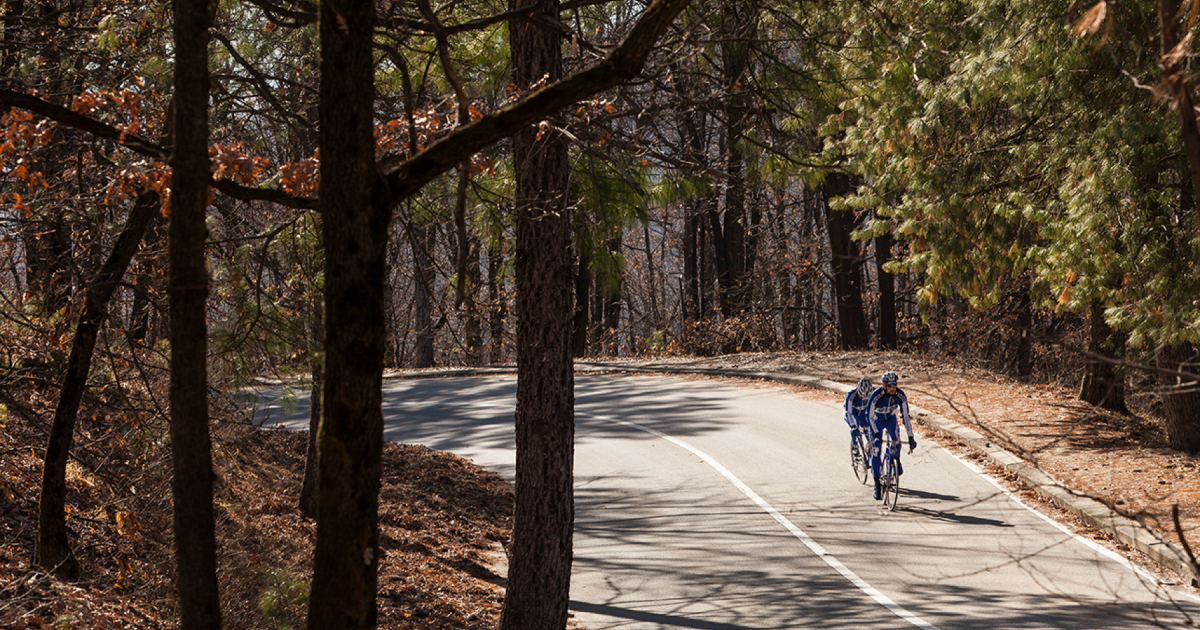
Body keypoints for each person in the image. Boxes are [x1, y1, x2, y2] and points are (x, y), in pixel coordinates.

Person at [867, 371, 916, 500]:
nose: (893, 389)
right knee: (876, 451)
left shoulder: (900, 395)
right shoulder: (876, 395)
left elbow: (905, 416)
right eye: (890, 386)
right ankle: (877, 483)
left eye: (894, 385)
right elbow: (869, 416)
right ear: (884, 386)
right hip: (876, 421)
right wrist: (877, 435)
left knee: (896, 440)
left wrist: (911, 437)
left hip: (890, 419)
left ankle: (897, 460)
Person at [843, 377, 873, 455]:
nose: (864, 400)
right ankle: (854, 444)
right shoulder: (851, 395)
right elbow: (848, 412)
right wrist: (853, 426)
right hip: (852, 413)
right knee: (855, 427)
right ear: (858, 391)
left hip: (864, 414)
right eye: (862, 397)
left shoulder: (874, 392)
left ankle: (869, 445)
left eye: (867, 399)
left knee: (868, 430)